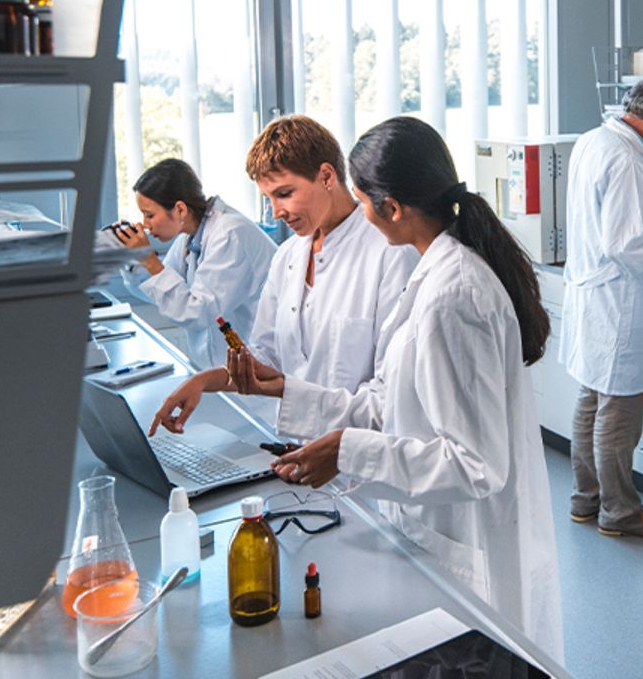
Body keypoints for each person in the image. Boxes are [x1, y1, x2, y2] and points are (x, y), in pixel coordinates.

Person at [151, 117, 563, 660]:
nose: (364, 215)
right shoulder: (432, 276)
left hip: (465, 538)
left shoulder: (450, 293)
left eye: (366, 201)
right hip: (411, 513)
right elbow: (383, 400)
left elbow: (477, 465)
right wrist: (287, 395)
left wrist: (347, 451)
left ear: (388, 207)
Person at [150, 116, 417, 418]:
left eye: (284, 194)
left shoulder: (391, 252)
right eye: (268, 198)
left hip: (361, 452)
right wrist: (207, 380)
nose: (276, 212)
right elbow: (268, 354)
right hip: (302, 444)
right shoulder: (288, 256)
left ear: (327, 177)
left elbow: (393, 391)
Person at [560, 77, 643, 538]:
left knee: (591, 399)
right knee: (618, 410)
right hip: (618, 299)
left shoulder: (593, 141)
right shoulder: (630, 160)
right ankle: (621, 513)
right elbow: (628, 245)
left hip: (594, 292)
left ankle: (585, 499)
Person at [114, 158, 276, 369]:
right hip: (222, 368)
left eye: (149, 215)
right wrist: (131, 258)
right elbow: (159, 293)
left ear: (180, 210)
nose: (145, 225)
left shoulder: (229, 234)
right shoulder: (190, 237)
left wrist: (150, 260)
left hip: (261, 366)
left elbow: (197, 313)